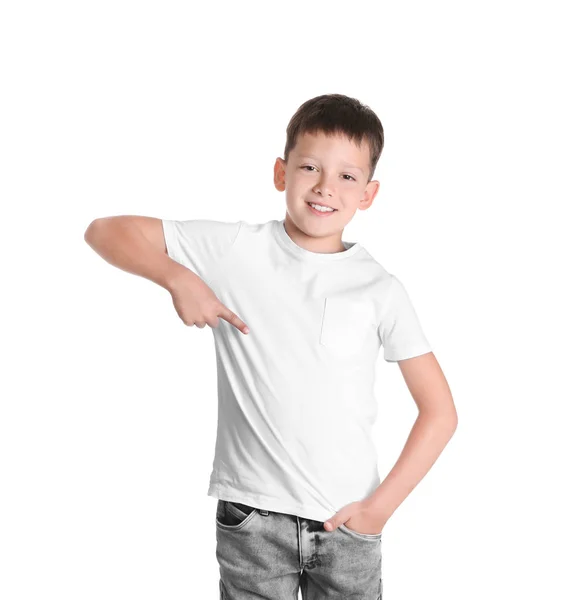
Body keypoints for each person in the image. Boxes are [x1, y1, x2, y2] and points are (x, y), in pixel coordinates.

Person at [84, 93, 457, 599]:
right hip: (252, 521)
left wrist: (378, 510)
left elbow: (439, 413)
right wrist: (177, 278)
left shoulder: (380, 288)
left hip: (348, 522)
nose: (326, 187)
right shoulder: (237, 249)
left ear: (368, 194)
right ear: (281, 173)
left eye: (347, 176)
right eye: (309, 167)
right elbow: (106, 231)